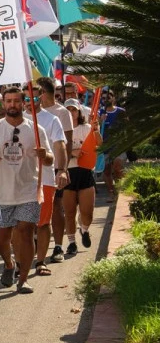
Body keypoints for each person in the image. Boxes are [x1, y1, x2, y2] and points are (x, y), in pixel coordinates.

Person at [0, 86, 53, 295]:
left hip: (28, 191)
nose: (12, 105)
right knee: (1, 239)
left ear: (23, 102)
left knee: (26, 232)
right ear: (3, 103)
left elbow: (49, 160)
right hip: (1, 193)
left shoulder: (36, 129)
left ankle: (24, 279)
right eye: (8, 101)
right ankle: (9, 264)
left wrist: (44, 155)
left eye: (16, 101)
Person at [29, 89, 68, 278]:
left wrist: (62, 170)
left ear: (41, 97)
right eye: (26, 97)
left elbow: (60, 145)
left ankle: (40, 261)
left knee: (43, 223)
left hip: (44, 178)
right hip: (18, 183)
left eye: (35, 97)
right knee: (21, 226)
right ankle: (19, 263)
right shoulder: (9, 122)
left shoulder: (51, 120)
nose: (30, 101)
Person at [37, 77, 73, 266]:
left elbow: (67, 142)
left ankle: (58, 246)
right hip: (32, 173)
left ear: (43, 92)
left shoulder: (61, 112)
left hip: (54, 169)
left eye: (36, 91)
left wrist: (62, 169)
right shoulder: (27, 113)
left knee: (56, 207)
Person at [63, 98, 99, 254]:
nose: (71, 113)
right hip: (68, 173)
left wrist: (96, 130)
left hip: (85, 173)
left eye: (73, 110)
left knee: (87, 212)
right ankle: (71, 243)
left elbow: (99, 143)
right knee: (69, 213)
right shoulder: (60, 130)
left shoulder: (86, 128)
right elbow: (55, 149)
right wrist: (71, 152)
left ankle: (84, 230)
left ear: (78, 112)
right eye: (68, 110)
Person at [101, 91, 128, 192]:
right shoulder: (100, 112)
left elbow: (127, 126)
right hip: (104, 147)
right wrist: (100, 121)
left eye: (108, 97)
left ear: (113, 98)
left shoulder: (121, 111)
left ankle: (120, 190)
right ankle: (112, 192)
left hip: (118, 146)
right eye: (103, 98)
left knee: (117, 167)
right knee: (107, 172)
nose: (106, 100)